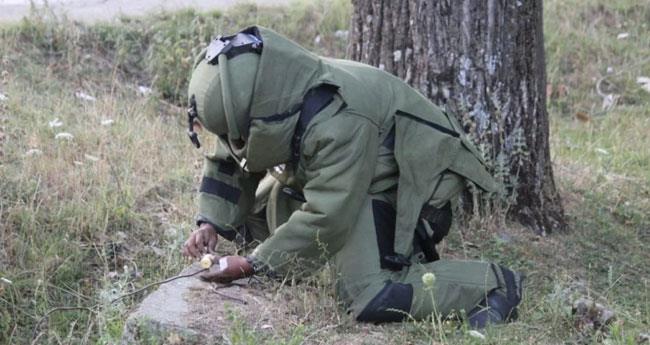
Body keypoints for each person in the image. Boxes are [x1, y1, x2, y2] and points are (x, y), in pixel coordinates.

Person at [181, 26, 523, 329]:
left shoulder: (337, 118)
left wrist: (257, 264)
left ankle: (492, 284)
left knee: (366, 293)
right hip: (361, 169)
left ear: (257, 115)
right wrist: (211, 222)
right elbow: (233, 154)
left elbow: (329, 214)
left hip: (414, 188)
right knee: (254, 219)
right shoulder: (272, 89)